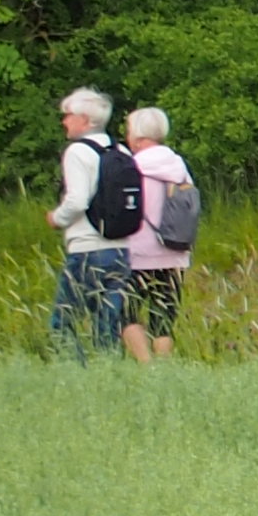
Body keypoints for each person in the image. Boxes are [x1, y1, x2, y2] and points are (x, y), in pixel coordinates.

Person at [44, 88, 135, 363]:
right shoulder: (120, 150)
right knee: (107, 324)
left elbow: (77, 200)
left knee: (63, 322)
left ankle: (76, 376)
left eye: (68, 116)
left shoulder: (77, 152)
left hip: (87, 249)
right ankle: (109, 376)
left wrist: (56, 218)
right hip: (121, 249)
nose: (64, 121)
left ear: (84, 120)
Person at [116, 105, 196, 362]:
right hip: (174, 253)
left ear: (138, 137)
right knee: (163, 317)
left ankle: (145, 365)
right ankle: (162, 368)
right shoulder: (180, 167)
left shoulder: (130, 168)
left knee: (125, 313)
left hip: (137, 254)